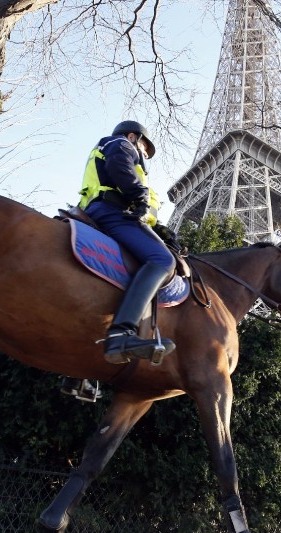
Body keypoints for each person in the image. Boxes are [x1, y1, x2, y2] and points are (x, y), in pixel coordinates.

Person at [78, 120, 176, 364]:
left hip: (98, 211)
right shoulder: (121, 144)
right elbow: (121, 168)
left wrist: (157, 226)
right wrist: (140, 197)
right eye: (144, 147)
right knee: (162, 259)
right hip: (111, 212)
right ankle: (122, 332)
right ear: (133, 137)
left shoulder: (107, 148)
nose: (144, 154)